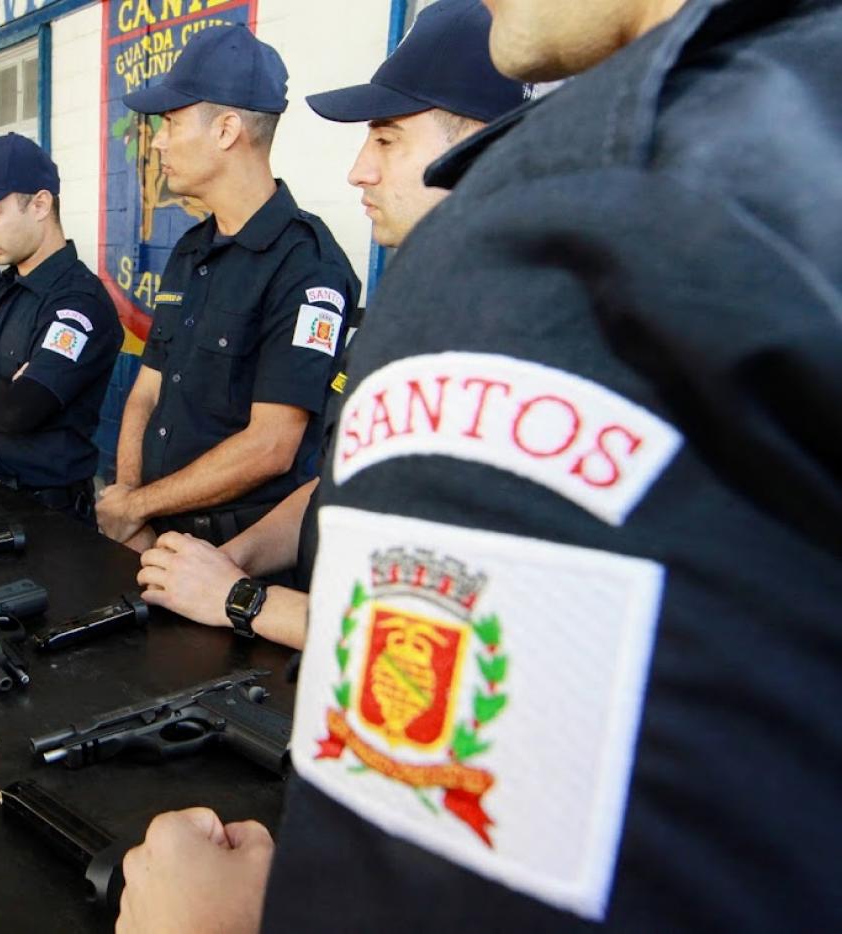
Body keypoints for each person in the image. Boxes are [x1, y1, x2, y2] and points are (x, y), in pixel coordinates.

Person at [117, 0, 842, 931]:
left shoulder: (577, 214)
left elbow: (463, 806)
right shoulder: (775, 133)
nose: (358, 169)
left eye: (388, 135)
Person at [134, 0, 527, 651]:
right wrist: (228, 561)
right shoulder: (408, 309)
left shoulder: (510, 349)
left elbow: (451, 635)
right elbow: (331, 487)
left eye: (387, 138)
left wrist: (239, 598)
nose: (357, 170)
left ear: (478, 146)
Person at [97, 24, 360, 555]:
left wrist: (138, 507)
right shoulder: (191, 249)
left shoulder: (308, 266)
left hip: (234, 559)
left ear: (226, 130)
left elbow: (271, 446)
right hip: (149, 536)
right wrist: (128, 498)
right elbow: (147, 389)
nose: (160, 139)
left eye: (171, 121)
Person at [0, 133, 122, 519]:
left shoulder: (78, 304)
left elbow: (17, 412)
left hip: (47, 516)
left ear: (39, 204)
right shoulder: (0, 289)